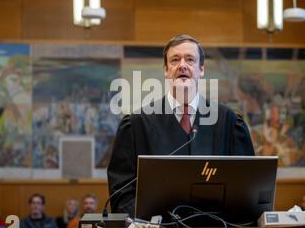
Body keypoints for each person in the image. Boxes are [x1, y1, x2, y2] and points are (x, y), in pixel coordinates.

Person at [108, 34, 255, 217]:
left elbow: (247, 188)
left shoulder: (228, 122)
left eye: (190, 60)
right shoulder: (137, 124)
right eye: (175, 60)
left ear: (201, 69)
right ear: (166, 70)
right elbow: (122, 194)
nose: (182, 65)